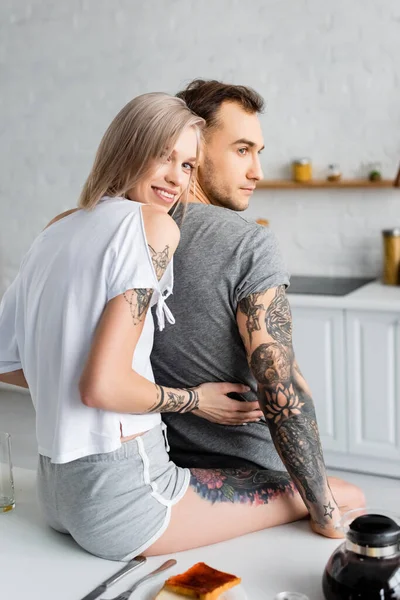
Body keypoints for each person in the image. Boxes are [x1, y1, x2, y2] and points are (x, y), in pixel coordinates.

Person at [0, 91, 351, 563]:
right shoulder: (153, 226)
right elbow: (102, 385)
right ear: (126, 150)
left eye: (186, 165)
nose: (175, 178)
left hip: (57, 493)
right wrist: (195, 400)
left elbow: (10, 365)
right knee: (347, 498)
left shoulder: (57, 229)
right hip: (127, 498)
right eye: (163, 157)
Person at [151, 80, 366, 535]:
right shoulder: (247, 242)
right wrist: (325, 513)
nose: (258, 171)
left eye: (259, 152)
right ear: (193, 144)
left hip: (167, 470)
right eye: (243, 150)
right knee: (354, 499)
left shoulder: (134, 232)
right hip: (249, 476)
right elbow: (278, 384)